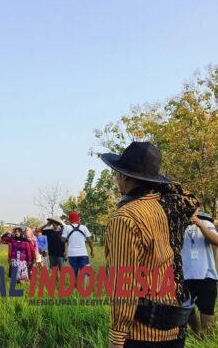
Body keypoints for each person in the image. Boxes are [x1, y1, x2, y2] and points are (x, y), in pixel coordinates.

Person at [101, 141, 199, 348]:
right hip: (175, 328)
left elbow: (124, 285)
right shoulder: (169, 207)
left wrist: (117, 338)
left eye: (117, 174)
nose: (116, 179)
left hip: (142, 334)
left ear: (125, 176)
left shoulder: (126, 218)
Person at [181, 210, 217, 335]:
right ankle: (196, 334)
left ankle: (207, 337)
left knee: (207, 308)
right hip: (184, 275)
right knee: (186, 308)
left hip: (207, 275)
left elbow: (216, 241)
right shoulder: (176, 223)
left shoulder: (207, 223)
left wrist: (200, 224)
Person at [60, 211, 94, 277]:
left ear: (69, 219)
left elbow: (62, 239)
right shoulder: (83, 227)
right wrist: (92, 250)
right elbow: (89, 240)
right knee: (85, 272)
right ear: (78, 219)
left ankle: (75, 284)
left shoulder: (66, 227)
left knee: (74, 271)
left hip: (72, 254)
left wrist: (68, 237)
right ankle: (84, 286)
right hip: (83, 253)